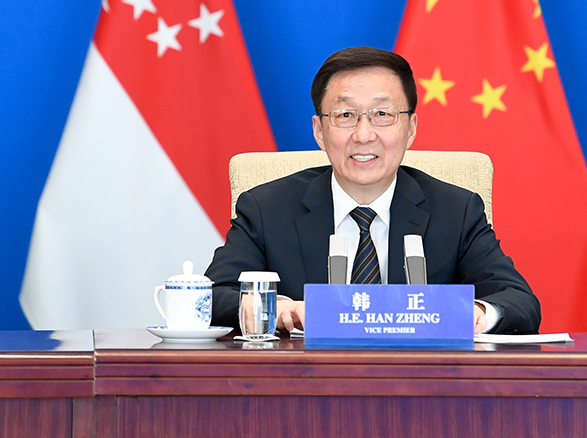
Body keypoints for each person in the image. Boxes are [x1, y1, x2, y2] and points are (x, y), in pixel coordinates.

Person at [206, 47, 540, 334]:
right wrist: (274, 308)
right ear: (319, 131)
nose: (363, 135)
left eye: (382, 114)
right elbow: (213, 297)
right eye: (345, 115)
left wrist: (475, 314)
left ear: (410, 128)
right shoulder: (266, 208)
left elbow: (518, 301)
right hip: (304, 382)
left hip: (418, 383)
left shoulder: (456, 210)